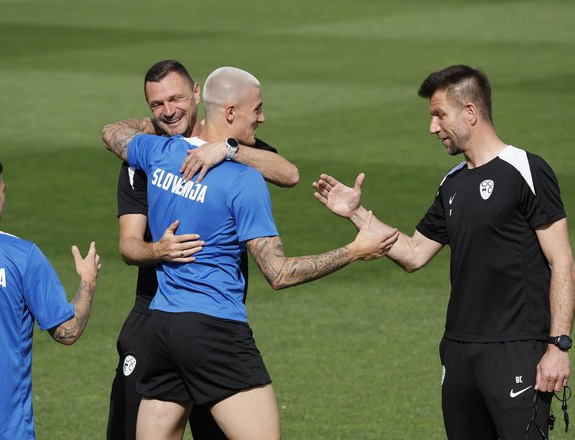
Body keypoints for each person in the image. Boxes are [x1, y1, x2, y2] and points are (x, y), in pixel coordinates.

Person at [102, 66, 398, 440]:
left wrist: (164, 126)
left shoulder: (159, 154)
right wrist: (355, 250)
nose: (261, 117)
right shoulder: (244, 181)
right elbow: (279, 273)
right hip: (214, 329)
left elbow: (112, 134)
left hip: (161, 328)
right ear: (229, 112)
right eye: (255, 109)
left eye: (175, 100)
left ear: (197, 98)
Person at [313, 64, 575, 439]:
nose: (432, 127)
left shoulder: (526, 170)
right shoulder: (452, 183)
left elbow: (562, 262)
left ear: (470, 112)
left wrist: (558, 346)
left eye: (439, 115)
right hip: (458, 352)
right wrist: (356, 213)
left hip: (516, 348)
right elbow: (414, 252)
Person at [106, 59, 299, 440]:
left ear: (197, 93)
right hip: (156, 311)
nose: (168, 111)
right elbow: (129, 246)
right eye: (156, 105)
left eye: (175, 99)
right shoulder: (149, 158)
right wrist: (158, 250)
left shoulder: (239, 150)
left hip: (195, 317)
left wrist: (224, 148)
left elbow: (288, 173)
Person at [0, 151, 102, 440]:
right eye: (3, 191)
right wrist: (88, 283)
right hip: (5, 432)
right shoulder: (20, 255)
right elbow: (67, 331)